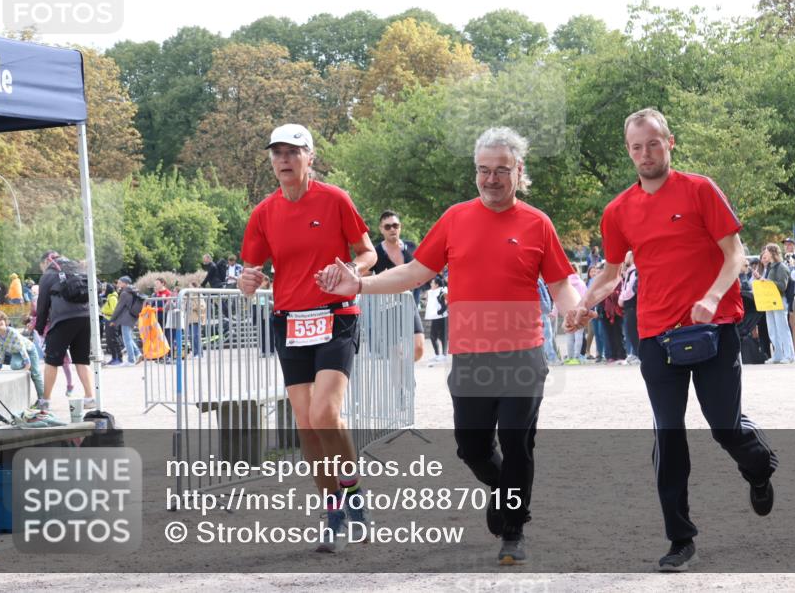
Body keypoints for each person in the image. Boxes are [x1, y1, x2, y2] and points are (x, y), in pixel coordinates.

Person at [316, 126, 585, 566]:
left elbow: (560, 283)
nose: (491, 179)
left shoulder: (538, 223)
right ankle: (506, 492)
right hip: (470, 355)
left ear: (519, 171)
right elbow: (414, 273)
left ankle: (513, 529)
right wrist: (360, 284)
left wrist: (573, 309)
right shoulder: (455, 218)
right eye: (483, 170)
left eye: (501, 170)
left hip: (522, 354)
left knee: (518, 444)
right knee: (472, 447)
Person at [578, 108, 776, 572]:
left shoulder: (700, 189)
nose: (645, 153)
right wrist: (583, 304)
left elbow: (736, 255)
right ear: (628, 151)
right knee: (668, 434)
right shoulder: (618, 210)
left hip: (714, 327)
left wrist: (709, 298)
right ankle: (680, 538)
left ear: (670, 143)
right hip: (655, 335)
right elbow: (610, 271)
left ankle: (759, 467)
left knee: (724, 427)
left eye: (653, 143)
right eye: (636, 147)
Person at [238, 123, 377, 554]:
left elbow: (367, 252)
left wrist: (352, 274)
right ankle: (333, 511)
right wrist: (248, 281)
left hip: (336, 316)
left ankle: (352, 490)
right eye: (277, 153)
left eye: (292, 152)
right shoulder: (263, 212)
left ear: (310, 157)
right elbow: (248, 274)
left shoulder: (335, 200)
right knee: (306, 426)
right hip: (291, 322)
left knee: (325, 414)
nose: (284, 159)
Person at [28, 251, 96, 418]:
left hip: (63, 320)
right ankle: (90, 397)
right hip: (86, 317)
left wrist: (40, 327)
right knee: (82, 359)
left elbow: (42, 305)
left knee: (52, 361)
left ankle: (46, 401)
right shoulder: (77, 267)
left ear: (45, 262)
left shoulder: (49, 275)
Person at [370, 210, 426, 362]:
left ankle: (405, 373)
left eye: (395, 225)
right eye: (387, 227)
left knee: (418, 348)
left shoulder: (412, 247)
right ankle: (400, 383)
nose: (392, 229)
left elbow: (422, 269)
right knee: (395, 355)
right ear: (381, 229)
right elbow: (365, 278)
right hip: (387, 308)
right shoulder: (375, 253)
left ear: (400, 227)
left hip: (409, 304)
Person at [0, 310, 43, 404]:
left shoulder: (12, 332)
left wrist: (28, 364)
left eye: (0, 319)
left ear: (5, 321)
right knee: (15, 366)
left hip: (29, 350)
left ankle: (42, 401)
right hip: (17, 353)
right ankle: (27, 367)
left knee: (36, 375)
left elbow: (22, 347)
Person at [760, 243, 794, 364]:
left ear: (772, 253)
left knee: (782, 329)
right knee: (772, 330)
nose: (765, 254)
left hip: (779, 300)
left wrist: (768, 282)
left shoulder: (782, 267)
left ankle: (789, 355)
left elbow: (782, 286)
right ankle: (778, 355)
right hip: (770, 301)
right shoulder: (770, 267)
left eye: (767, 251)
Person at [108, 276, 142, 366]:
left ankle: (131, 360)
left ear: (125, 283)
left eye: (120, 282)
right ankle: (138, 354)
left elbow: (119, 308)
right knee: (129, 338)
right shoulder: (133, 291)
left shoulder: (125, 293)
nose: (118, 284)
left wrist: (112, 319)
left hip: (126, 318)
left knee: (126, 339)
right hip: (133, 317)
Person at [424, 275, 448, 362]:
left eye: (432, 283)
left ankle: (444, 355)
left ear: (437, 285)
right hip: (435, 318)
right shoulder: (431, 292)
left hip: (442, 318)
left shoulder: (442, 292)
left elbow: (445, 305)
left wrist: (439, 312)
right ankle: (437, 354)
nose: (431, 284)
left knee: (442, 337)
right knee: (433, 336)